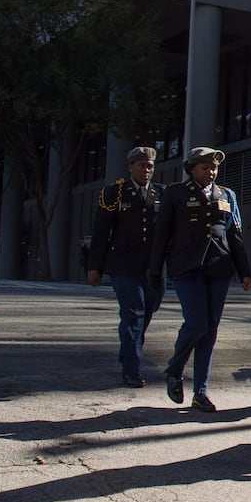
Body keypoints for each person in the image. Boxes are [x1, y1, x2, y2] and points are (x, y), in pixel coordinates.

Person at [149, 146, 251, 412]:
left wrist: (244, 271)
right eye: (205, 167)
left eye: (214, 168)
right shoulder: (176, 193)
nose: (211, 172)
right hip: (186, 267)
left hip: (218, 268)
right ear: (192, 169)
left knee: (210, 331)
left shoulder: (226, 195)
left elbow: (234, 235)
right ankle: (175, 370)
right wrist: (154, 270)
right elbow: (161, 235)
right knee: (196, 324)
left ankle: (201, 392)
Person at [88, 146, 164, 388]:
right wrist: (94, 267)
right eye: (141, 165)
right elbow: (101, 233)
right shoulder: (115, 192)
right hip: (123, 265)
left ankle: (129, 352)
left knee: (147, 311)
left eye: (149, 166)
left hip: (152, 267)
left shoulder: (160, 194)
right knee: (133, 314)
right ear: (130, 167)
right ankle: (132, 370)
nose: (146, 170)